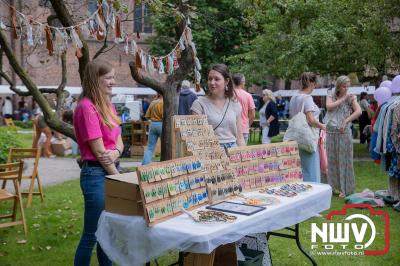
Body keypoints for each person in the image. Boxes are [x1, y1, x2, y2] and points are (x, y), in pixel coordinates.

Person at [73, 59, 123, 266]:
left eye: (113, 77)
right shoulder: (86, 107)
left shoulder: (107, 104)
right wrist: (119, 179)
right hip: (96, 175)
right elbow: (99, 151)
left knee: (108, 234)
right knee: (92, 235)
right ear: (95, 79)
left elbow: (119, 138)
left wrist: (117, 151)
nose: (113, 82)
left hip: (109, 169)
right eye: (108, 77)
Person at [191, 64, 245, 149]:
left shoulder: (235, 104)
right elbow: (197, 137)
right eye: (210, 79)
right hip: (211, 152)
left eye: (217, 79)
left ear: (226, 81)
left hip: (233, 152)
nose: (212, 82)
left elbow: (240, 137)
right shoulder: (199, 104)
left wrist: (243, 155)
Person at [324, 75, 361, 197]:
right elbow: (329, 107)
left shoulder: (351, 97)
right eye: (344, 86)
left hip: (343, 133)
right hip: (330, 132)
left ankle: (345, 189)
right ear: (339, 86)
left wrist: (346, 121)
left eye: (348, 86)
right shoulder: (331, 94)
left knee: (344, 161)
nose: (346, 89)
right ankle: (333, 186)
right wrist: (343, 98)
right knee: (332, 160)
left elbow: (359, 111)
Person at [289, 72, 326, 183]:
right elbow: (310, 120)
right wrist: (322, 126)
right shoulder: (307, 98)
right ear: (312, 83)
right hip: (307, 138)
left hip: (295, 137)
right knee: (310, 169)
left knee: (300, 169)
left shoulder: (294, 97)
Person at [232, 73, 256, 144]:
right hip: (244, 128)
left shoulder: (228, 94)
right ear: (242, 82)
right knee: (242, 153)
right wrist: (248, 124)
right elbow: (253, 114)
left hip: (230, 129)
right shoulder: (248, 96)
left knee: (229, 153)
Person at [142, 94, 163, 165]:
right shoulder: (164, 103)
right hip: (162, 124)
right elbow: (165, 117)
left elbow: (147, 116)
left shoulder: (153, 102)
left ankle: (144, 165)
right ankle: (164, 164)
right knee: (165, 146)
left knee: (150, 148)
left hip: (153, 124)